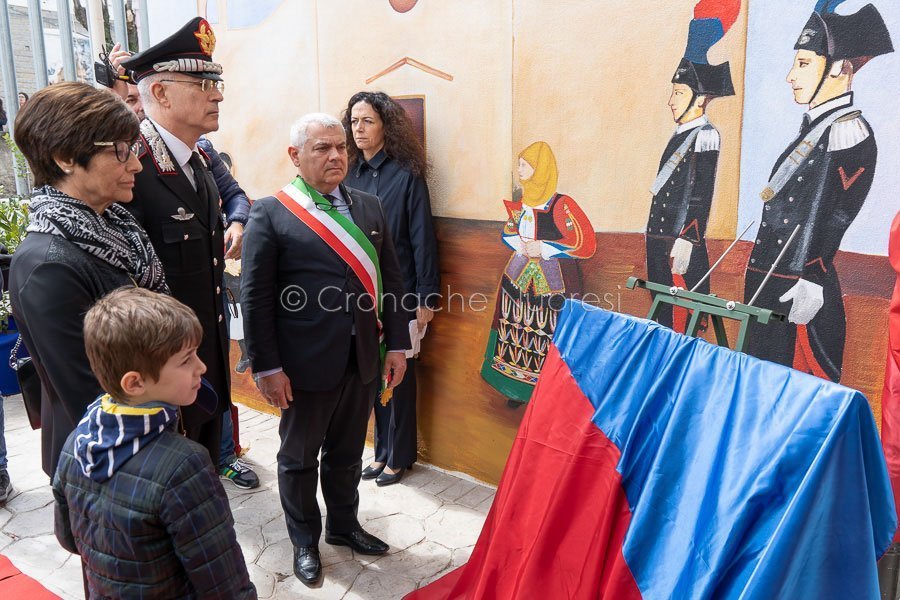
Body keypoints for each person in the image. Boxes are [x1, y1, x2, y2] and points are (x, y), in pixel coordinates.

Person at [241, 113, 410, 585]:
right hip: (303, 365)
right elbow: (255, 298)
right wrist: (267, 366)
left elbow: (392, 281)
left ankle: (343, 525)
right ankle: (304, 540)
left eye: (340, 147)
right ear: (295, 156)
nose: (336, 156)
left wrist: (397, 345)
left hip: (363, 358)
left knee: (348, 452)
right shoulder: (271, 212)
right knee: (298, 458)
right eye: (322, 148)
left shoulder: (370, 207)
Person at [53, 287, 257, 599]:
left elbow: (69, 538)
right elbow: (223, 582)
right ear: (135, 382)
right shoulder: (184, 465)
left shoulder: (74, 443)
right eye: (186, 360)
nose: (201, 367)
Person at [9, 82, 168, 477]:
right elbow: (93, 396)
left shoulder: (116, 229)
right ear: (65, 158)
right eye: (120, 150)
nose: (135, 164)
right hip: (110, 464)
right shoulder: (48, 265)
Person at [743, 2, 893, 382]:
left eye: (804, 63)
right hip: (767, 281)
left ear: (839, 67)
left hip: (801, 290)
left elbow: (837, 214)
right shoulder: (815, 130)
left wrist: (811, 277)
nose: (790, 76)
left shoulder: (849, 131)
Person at [119, 18, 233, 468]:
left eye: (216, 84)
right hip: (162, 375)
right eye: (204, 84)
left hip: (204, 365)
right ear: (161, 93)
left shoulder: (198, 159)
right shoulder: (134, 169)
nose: (217, 95)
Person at [342, 91, 440, 487]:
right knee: (373, 374)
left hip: (402, 292)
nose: (359, 129)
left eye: (367, 121)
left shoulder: (406, 175)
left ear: (386, 126)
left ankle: (399, 457)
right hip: (363, 293)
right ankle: (381, 451)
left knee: (400, 374)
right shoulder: (348, 175)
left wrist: (427, 297)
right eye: (354, 122)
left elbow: (422, 238)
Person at [480, 141, 596, 405]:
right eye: (519, 165)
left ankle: (549, 392)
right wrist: (519, 244)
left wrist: (544, 248)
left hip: (554, 285)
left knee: (549, 332)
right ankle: (516, 388)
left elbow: (585, 243)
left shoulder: (561, 204)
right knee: (515, 329)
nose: (519, 170)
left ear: (540, 169)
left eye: (524, 165)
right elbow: (508, 231)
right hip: (517, 283)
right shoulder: (523, 203)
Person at [645, 9, 735, 331]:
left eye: (679, 93)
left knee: (682, 322)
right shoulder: (680, 134)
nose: (671, 100)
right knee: (662, 318)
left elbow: (701, 194)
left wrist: (688, 239)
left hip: (681, 245)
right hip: (659, 240)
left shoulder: (706, 135)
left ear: (699, 100)